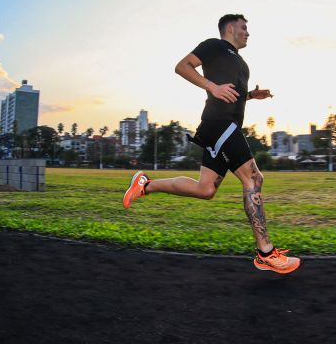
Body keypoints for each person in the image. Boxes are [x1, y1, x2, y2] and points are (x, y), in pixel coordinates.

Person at [123, 14, 300, 274]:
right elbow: (182, 66)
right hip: (220, 123)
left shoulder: (240, 61)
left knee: (205, 189)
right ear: (230, 28)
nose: (248, 33)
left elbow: (231, 94)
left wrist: (251, 96)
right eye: (244, 27)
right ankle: (266, 253)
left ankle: (145, 185)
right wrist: (210, 86)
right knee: (254, 179)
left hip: (226, 126)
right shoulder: (214, 45)